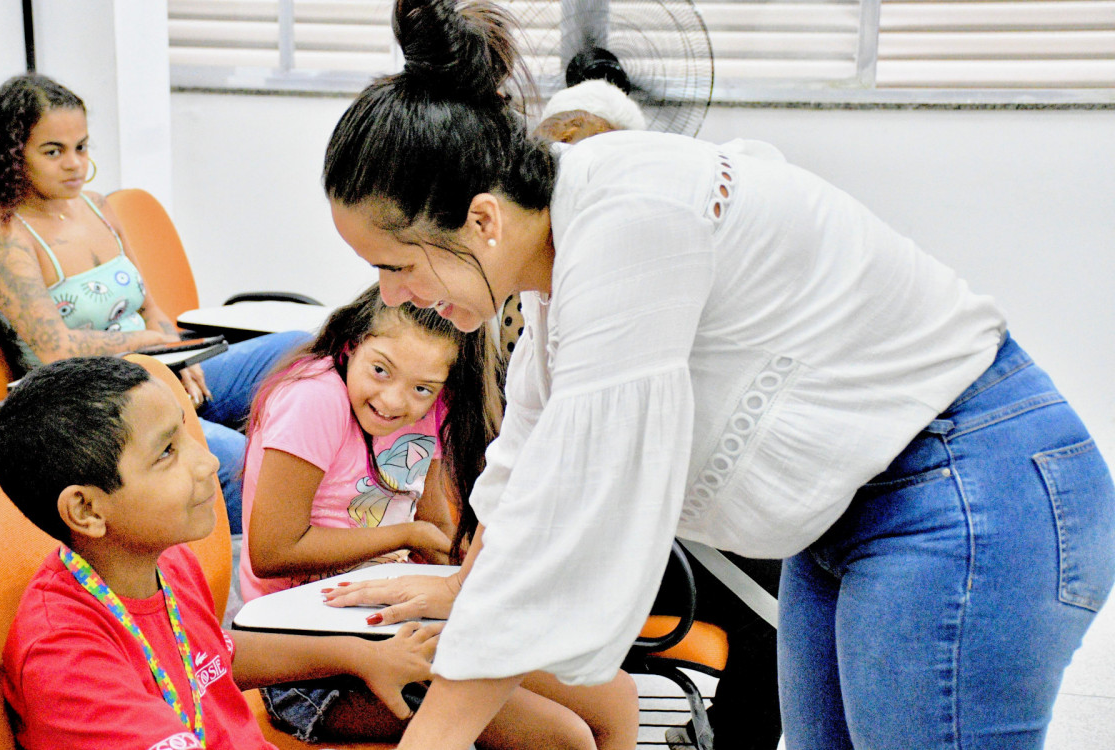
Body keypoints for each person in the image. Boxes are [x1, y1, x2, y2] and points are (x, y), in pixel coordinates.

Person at [318, 1, 1115, 749]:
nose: (393, 298)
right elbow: (531, 461)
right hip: (858, 514)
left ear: (482, 220)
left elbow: (585, 505)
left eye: (395, 265)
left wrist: (434, 732)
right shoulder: (571, 246)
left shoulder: (630, 221)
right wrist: (468, 589)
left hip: (967, 488)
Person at [240, 283, 639, 747]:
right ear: (352, 346)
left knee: (616, 697)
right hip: (311, 663)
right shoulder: (314, 398)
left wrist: (474, 562)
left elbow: (434, 532)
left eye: (422, 388)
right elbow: (271, 551)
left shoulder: (427, 405)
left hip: (398, 621)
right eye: (381, 371)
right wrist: (404, 534)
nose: (394, 401)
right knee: (560, 736)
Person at [0, 356, 445, 750]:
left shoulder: (163, 561)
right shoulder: (67, 663)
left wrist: (358, 655)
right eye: (167, 452)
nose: (207, 462)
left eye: (187, 435)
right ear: (86, 509)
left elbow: (210, 656)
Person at [0, 72, 306, 534]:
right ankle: (277, 552)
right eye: (53, 151)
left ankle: (337, 503)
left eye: (82, 147)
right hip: (88, 401)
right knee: (232, 460)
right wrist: (152, 346)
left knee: (302, 351)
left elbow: (150, 306)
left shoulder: (96, 206)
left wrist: (175, 353)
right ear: (13, 156)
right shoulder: (1, 233)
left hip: (152, 368)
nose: (74, 163)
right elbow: (55, 349)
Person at [532, 79, 783, 750]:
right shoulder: (524, 285)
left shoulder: (659, 253)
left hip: (650, 524)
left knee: (771, 590)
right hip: (578, 533)